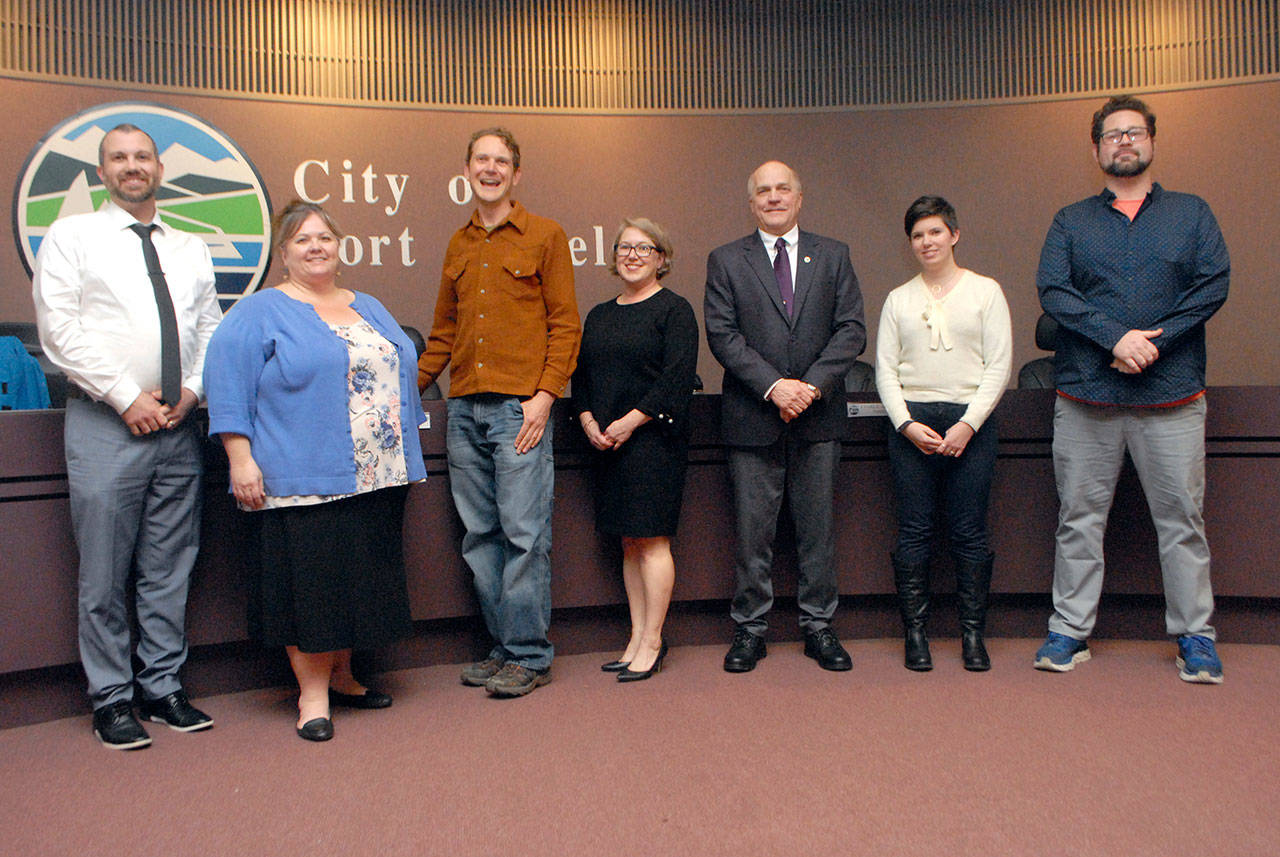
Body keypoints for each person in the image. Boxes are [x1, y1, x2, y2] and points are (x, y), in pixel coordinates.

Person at [204, 200, 427, 740]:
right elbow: (227, 384)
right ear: (284, 253)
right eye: (302, 239)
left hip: (377, 474)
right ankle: (313, 697)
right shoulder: (260, 311)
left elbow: (398, 369)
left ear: (339, 245)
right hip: (301, 476)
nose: (316, 246)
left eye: (324, 237)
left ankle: (346, 677)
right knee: (312, 589)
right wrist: (240, 457)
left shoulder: (368, 304)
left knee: (357, 581)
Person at [32, 123, 222, 749]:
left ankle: (163, 687)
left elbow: (208, 329)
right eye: (119, 157)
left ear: (160, 168)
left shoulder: (189, 247)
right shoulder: (73, 236)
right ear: (101, 170)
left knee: (170, 568)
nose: (132, 166)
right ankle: (111, 700)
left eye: (142, 157)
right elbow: (60, 331)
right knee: (105, 571)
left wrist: (193, 392)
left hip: (178, 424)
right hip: (105, 424)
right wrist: (125, 396)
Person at [1034, 95, 1230, 683]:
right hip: (1087, 400)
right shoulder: (1071, 221)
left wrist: (1154, 343)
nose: (1124, 141)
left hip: (1171, 399)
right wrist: (1115, 339)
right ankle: (1069, 632)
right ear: (1096, 149)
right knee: (1078, 520)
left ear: (1151, 142)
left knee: (1182, 522)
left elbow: (1212, 285)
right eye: (1112, 134)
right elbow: (1055, 291)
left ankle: (1196, 637)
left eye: (1134, 132)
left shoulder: (1192, 214)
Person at [419, 128, 581, 698]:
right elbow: (442, 335)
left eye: (502, 161)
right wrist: (403, 392)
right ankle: (504, 646)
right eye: (481, 160)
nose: (491, 169)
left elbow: (565, 325)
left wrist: (544, 396)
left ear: (516, 174)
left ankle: (530, 654)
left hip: (520, 411)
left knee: (522, 534)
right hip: (464, 408)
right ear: (468, 169)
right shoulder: (459, 244)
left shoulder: (545, 235)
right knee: (480, 536)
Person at [704, 160, 866, 673]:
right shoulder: (727, 260)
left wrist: (810, 386)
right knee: (754, 533)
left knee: (817, 530)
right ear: (751, 202)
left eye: (783, 189)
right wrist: (775, 387)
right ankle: (750, 629)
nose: (773, 198)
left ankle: (820, 627)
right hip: (753, 417)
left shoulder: (834, 255)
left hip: (818, 419)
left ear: (799, 198)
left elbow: (851, 330)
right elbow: (723, 335)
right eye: (763, 192)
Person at [875, 196, 1012, 672]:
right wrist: (906, 424)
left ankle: (972, 636)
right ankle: (916, 635)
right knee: (914, 530)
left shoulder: (985, 292)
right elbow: (885, 372)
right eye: (917, 235)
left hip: (970, 423)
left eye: (935, 232)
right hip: (912, 425)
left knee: (969, 531)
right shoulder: (899, 298)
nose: (926, 242)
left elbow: (997, 366)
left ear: (954, 234)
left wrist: (967, 424)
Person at [572, 218, 698, 682]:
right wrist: (587, 420)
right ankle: (635, 636)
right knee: (628, 542)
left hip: (653, 443)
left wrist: (628, 422)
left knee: (652, 542)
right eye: (625, 247)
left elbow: (677, 379)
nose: (632, 255)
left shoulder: (675, 310)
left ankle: (653, 640)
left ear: (662, 259)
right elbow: (581, 375)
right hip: (606, 445)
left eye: (644, 249)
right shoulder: (600, 314)